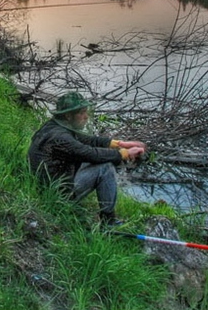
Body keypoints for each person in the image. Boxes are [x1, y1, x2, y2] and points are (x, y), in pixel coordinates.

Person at [27, 91, 147, 226]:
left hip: (48, 182)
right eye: (82, 113)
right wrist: (123, 154)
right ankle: (109, 221)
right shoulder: (61, 138)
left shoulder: (55, 126)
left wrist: (119, 144)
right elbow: (92, 154)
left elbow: (86, 140)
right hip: (56, 194)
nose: (86, 116)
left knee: (97, 159)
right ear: (68, 115)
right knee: (105, 167)